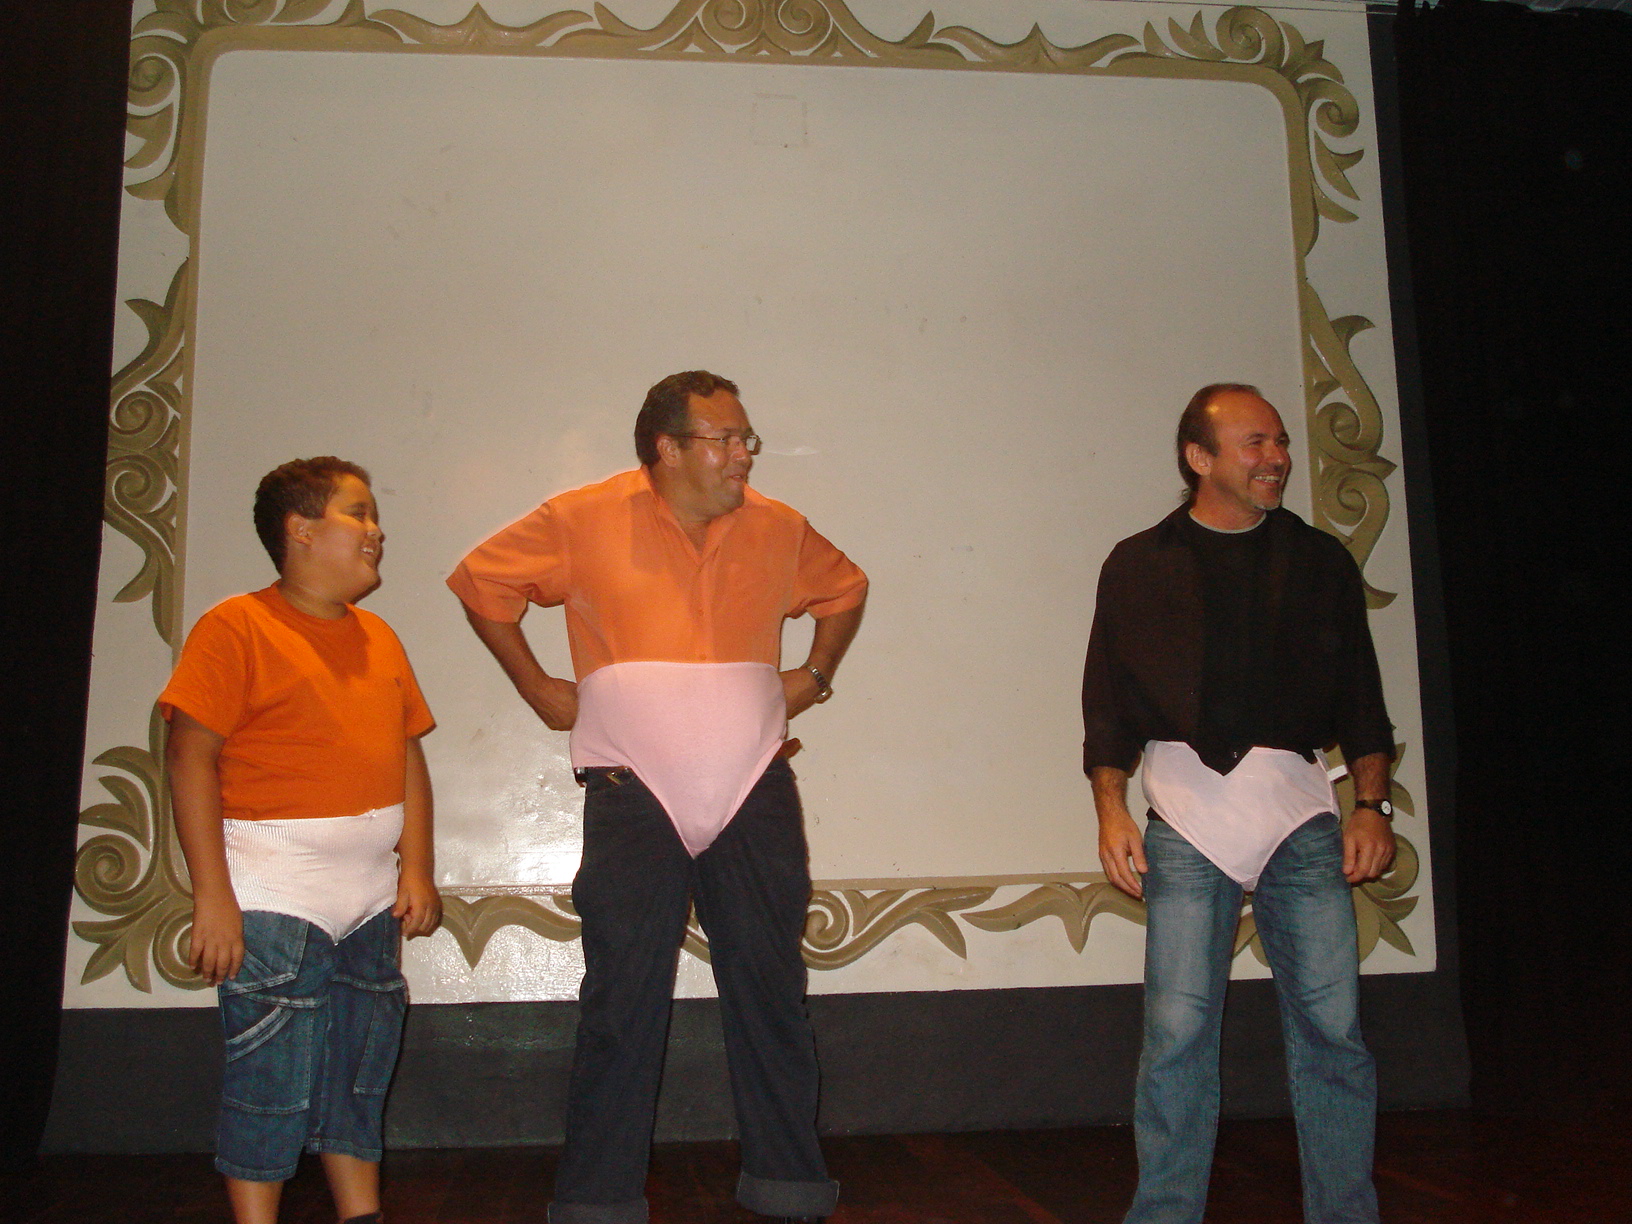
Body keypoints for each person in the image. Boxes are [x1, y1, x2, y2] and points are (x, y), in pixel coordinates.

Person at [448, 370, 866, 1224]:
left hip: (753, 786)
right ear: (667, 448)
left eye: (746, 438)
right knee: (622, 998)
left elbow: (845, 589)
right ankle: (598, 1197)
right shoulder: (581, 517)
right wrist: (534, 686)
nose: (743, 453)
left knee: (770, 988)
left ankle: (789, 1183)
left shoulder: (779, 526)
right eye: (725, 438)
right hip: (631, 789)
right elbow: (480, 584)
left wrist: (816, 675)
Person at [1082, 384, 1397, 1224]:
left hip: (1301, 815)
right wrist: (1111, 808)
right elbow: (1106, 702)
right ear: (1200, 458)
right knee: (1177, 1035)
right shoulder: (1137, 563)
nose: (1277, 458)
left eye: (1281, 441)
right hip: (1186, 818)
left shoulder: (1320, 561)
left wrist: (1374, 807)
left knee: (1333, 1030)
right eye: (1256, 443)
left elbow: (1362, 698)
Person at [163, 457, 441, 1224]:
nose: (375, 529)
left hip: (369, 898)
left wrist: (416, 867)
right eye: (358, 512)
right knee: (271, 1078)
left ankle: (361, 1214)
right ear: (301, 530)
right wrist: (213, 898)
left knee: (360, 1070)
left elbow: (408, 757)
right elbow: (189, 756)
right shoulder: (236, 626)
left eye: (373, 514)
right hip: (274, 891)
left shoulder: (380, 638)